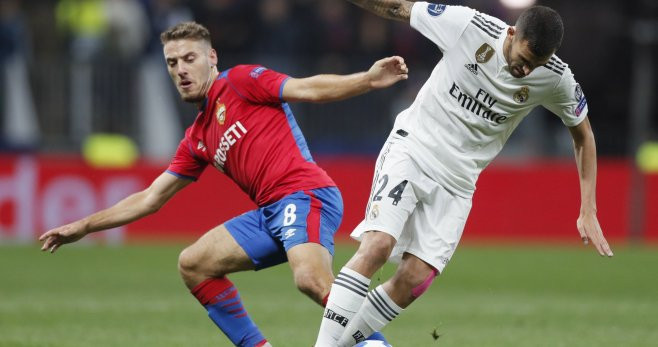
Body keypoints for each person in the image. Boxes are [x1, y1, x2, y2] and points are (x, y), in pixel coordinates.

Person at [39, 21, 408, 347]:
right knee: (193, 263)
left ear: (211, 57)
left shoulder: (242, 81)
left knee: (310, 280)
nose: (181, 70)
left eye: (189, 58)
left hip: (305, 193)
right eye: (172, 63)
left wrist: (368, 80)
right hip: (270, 212)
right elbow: (150, 198)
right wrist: (84, 226)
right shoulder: (197, 136)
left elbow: (307, 89)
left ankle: (373, 344)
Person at [315, 2, 614, 346]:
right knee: (378, 245)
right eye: (524, 58)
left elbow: (583, 135)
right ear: (512, 33)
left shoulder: (557, 78)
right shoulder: (468, 27)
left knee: (414, 278)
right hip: (414, 149)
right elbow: (398, 6)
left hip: (458, 183)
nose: (526, 70)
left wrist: (588, 207)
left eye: (536, 65)